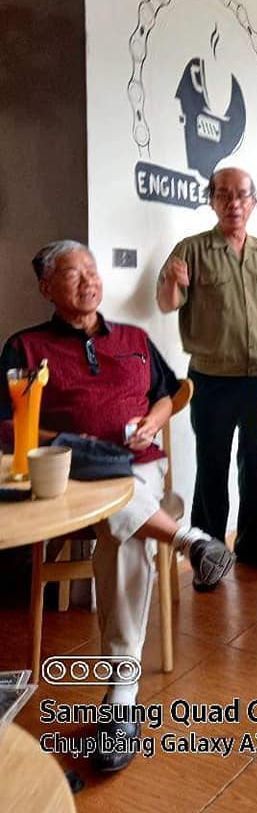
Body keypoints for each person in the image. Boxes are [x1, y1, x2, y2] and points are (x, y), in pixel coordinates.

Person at [0, 240, 233, 773]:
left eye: (92, 270)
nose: (89, 280)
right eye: (73, 273)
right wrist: (66, 441)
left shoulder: (133, 339)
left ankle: (121, 694)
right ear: (46, 288)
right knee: (120, 512)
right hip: (69, 470)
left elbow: (169, 392)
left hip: (137, 467)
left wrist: (154, 420)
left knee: (123, 524)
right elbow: (4, 424)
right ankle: (188, 540)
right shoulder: (25, 347)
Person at [157, 167, 257, 574]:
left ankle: (251, 541)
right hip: (211, 379)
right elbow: (167, 303)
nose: (234, 203)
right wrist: (173, 282)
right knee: (212, 465)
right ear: (212, 200)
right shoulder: (191, 250)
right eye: (223, 195)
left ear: (253, 202)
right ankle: (208, 550)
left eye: (242, 195)